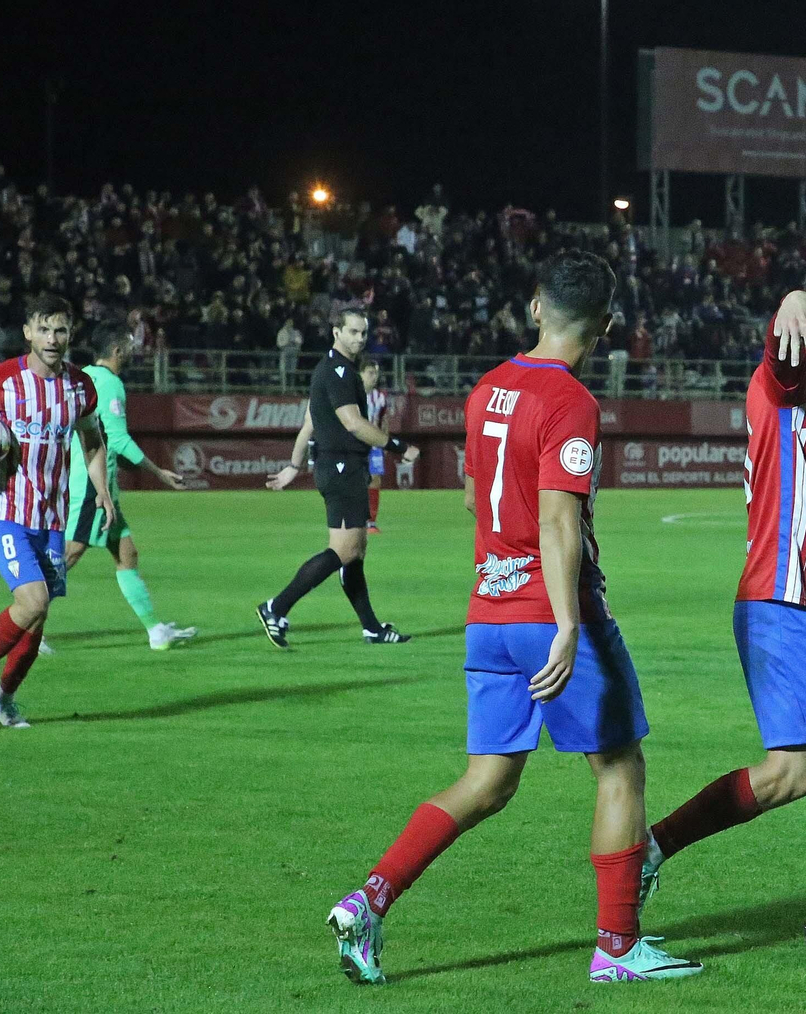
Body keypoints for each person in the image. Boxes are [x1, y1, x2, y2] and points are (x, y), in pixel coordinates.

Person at [324, 251, 700, 985]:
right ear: (606, 325)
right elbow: (558, 522)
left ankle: (369, 900)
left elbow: (475, 497)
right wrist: (568, 624)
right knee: (619, 766)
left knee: (487, 782)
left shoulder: (488, 387)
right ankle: (618, 948)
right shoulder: (571, 402)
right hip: (550, 613)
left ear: (535, 306)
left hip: (488, 612)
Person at [638, 257, 806, 951]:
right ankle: (652, 847)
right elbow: (781, 358)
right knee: (792, 772)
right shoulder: (796, 379)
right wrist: (792, 298)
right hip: (783, 602)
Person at [0, 294, 116, 728]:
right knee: (33, 600)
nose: (52, 339)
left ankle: (5, 698)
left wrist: (102, 490)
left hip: (51, 518)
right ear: (28, 333)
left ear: (70, 334)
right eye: (43, 329)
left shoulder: (81, 386)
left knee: (37, 620)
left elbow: (92, 440)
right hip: (6, 508)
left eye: (60, 330)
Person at [259, 302, 419, 648]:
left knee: (355, 551)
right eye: (353, 332)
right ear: (336, 332)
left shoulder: (335, 370)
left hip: (343, 468)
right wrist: (398, 446)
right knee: (344, 550)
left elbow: (309, 423)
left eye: (363, 332)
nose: (360, 338)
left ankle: (372, 628)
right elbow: (353, 424)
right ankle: (276, 607)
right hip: (341, 468)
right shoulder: (337, 372)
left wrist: (294, 466)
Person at [64, 319, 195, 650]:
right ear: (117, 350)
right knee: (70, 554)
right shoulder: (109, 384)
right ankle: (26, 624)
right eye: (131, 346)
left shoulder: (83, 377)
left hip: (92, 480)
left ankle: (156, 631)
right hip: (94, 486)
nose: (135, 351)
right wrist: (159, 472)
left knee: (126, 554)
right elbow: (118, 440)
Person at [361, 358, 388, 534]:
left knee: (375, 480)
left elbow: (384, 421)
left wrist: (385, 442)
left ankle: (371, 522)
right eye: (370, 373)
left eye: (376, 373)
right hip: (355, 444)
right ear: (361, 374)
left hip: (374, 445)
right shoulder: (352, 395)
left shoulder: (380, 398)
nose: (374, 377)